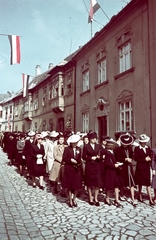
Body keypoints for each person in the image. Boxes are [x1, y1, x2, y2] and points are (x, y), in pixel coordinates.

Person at [115, 133, 138, 206]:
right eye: (124, 144)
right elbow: (117, 158)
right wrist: (125, 159)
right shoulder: (118, 149)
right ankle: (121, 195)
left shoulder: (130, 148)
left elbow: (132, 156)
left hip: (129, 167)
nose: (126, 145)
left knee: (131, 183)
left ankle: (133, 198)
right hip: (122, 167)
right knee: (122, 183)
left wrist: (131, 159)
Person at [134, 134, 154, 205]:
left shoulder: (148, 148)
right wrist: (144, 159)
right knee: (140, 183)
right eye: (143, 142)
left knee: (148, 184)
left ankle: (150, 199)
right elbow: (135, 158)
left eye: (145, 141)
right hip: (140, 168)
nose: (145, 143)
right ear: (140, 142)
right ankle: (139, 195)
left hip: (146, 168)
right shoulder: (137, 148)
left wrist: (149, 159)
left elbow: (151, 156)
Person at [82, 131, 102, 206]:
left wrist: (99, 157)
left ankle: (96, 198)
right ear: (90, 139)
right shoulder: (86, 146)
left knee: (97, 183)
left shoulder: (98, 146)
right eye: (93, 138)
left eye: (95, 138)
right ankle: (90, 198)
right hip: (89, 166)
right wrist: (90, 158)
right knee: (89, 183)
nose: (95, 140)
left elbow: (101, 153)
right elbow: (84, 157)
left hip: (97, 166)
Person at [62, 134, 82, 207]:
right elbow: (64, 158)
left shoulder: (79, 149)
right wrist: (70, 160)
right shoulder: (67, 149)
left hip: (76, 169)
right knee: (70, 185)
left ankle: (74, 198)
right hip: (69, 169)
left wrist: (78, 162)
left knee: (76, 185)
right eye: (73, 143)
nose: (75, 144)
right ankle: (70, 199)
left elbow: (79, 158)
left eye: (76, 142)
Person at [103, 138, 122, 207]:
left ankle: (116, 200)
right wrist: (114, 165)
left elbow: (112, 161)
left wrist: (116, 163)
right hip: (109, 172)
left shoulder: (111, 152)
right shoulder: (108, 153)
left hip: (113, 171)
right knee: (109, 186)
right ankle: (107, 198)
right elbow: (107, 163)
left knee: (116, 185)